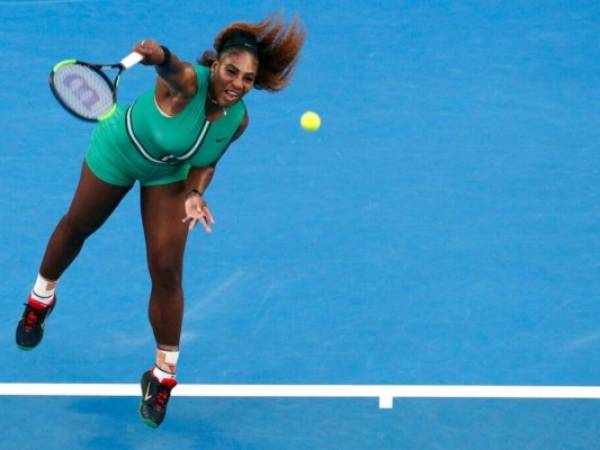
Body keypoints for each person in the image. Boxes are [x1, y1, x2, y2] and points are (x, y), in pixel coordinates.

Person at [15, 15, 305, 428]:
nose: (237, 83)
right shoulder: (188, 82)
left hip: (169, 173)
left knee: (167, 270)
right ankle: (39, 299)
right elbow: (173, 67)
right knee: (79, 224)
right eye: (230, 71)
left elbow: (207, 160)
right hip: (120, 148)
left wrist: (194, 194)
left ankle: (162, 376)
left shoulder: (237, 120)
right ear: (215, 64)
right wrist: (160, 55)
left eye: (247, 78)